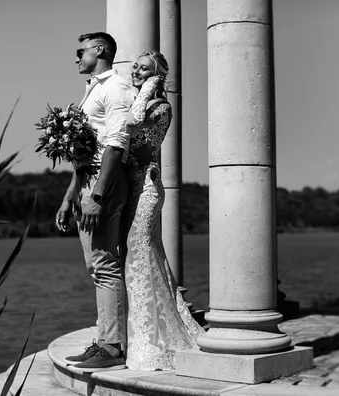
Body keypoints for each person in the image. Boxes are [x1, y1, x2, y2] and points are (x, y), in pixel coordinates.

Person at [55, 32, 137, 371]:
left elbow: (116, 145)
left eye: (80, 51)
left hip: (103, 185)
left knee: (105, 265)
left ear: (100, 50)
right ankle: (106, 339)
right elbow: (86, 153)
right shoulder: (93, 88)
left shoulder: (115, 87)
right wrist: (69, 196)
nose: (76, 57)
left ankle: (113, 346)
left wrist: (98, 196)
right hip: (87, 183)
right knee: (96, 268)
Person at [122, 50, 205, 371]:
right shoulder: (134, 99)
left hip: (146, 190)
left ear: (157, 76)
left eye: (145, 70)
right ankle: (138, 329)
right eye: (136, 68)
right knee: (138, 255)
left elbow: (134, 122)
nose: (136, 72)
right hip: (126, 189)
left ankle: (152, 338)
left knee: (140, 250)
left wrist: (148, 88)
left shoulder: (161, 107)